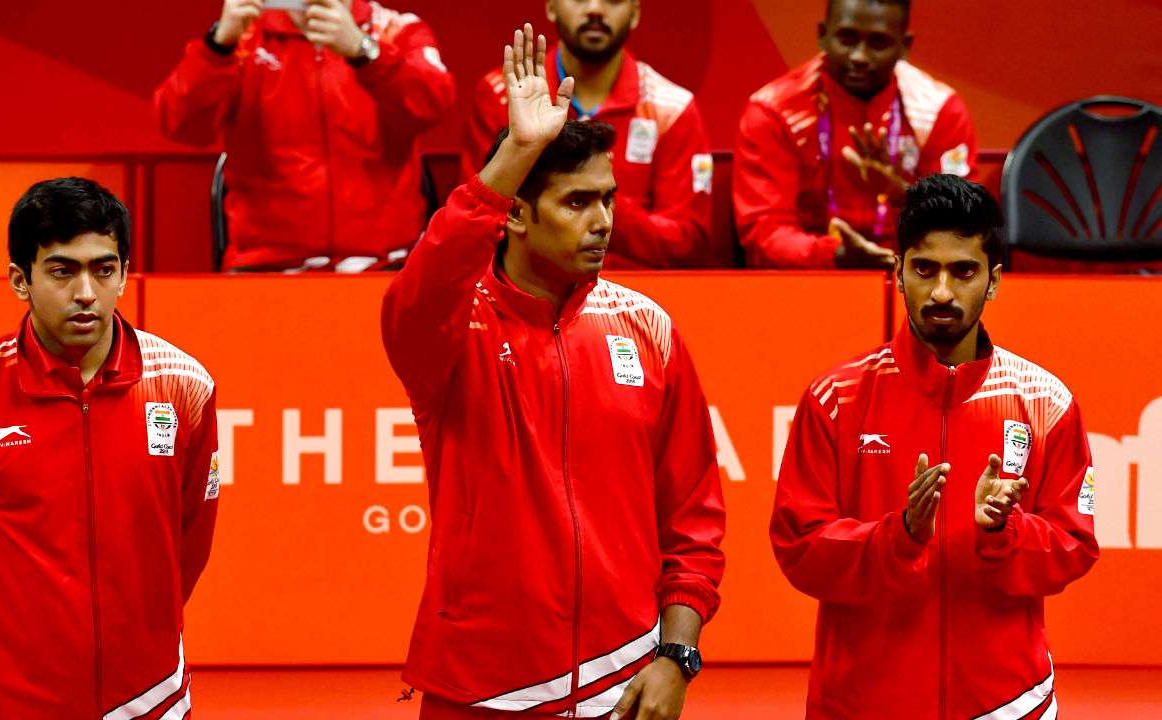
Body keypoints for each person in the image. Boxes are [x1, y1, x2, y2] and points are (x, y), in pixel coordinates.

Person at [383, 25, 725, 720]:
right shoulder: (450, 332)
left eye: (607, 198)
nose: (603, 221)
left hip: (626, 682)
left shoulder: (649, 330)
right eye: (577, 203)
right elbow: (420, 289)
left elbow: (694, 521)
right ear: (513, 215)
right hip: (481, 687)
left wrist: (676, 656)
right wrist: (516, 151)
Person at [770, 174, 1098, 718]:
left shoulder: (1046, 401)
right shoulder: (836, 398)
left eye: (963, 271)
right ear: (898, 273)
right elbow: (799, 549)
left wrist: (1003, 530)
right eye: (925, 269)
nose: (942, 291)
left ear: (993, 281)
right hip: (861, 703)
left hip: (1009, 704)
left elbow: (1074, 546)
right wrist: (896, 536)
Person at [0, 178, 220, 718]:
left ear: (123, 273)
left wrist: (138, 633)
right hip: (1, 700)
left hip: (148, 695)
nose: (87, 292)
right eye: (63, 270)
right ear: (20, 280)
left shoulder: (185, 384)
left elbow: (189, 539)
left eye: (104, 268)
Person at [155, 0, 455, 272]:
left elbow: (432, 105)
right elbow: (181, 125)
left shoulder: (396, 30)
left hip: (387, 266)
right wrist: (218, 47)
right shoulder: (243, 37)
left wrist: (363, 51)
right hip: (267, 269)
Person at [461, 1, 715, 269]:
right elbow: (474, 224)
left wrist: (590, 200)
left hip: (638, 295)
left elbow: (687, 245)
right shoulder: (504, 97)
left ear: (635, 13)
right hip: (525, 293)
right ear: (550, 6)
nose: (595, 8)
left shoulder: (673, 109)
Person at [734, 0, 979, 268]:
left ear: (904, 47)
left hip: (913, 279)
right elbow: (765, 232)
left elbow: (965, 225)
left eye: (878, 43)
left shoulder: (939, 111)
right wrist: (836, 255)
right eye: (847, 39)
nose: (859, 56)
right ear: (822, 35)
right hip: (808, 279)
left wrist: (903, 195)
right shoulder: (775, 111)